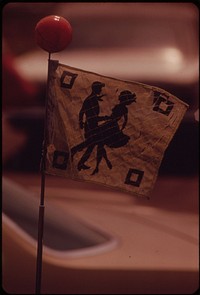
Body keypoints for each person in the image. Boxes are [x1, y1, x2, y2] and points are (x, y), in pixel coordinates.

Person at [71, 81, 109, 170]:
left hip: (92, 125)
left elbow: (82, 112)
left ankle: (80, 162)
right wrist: (105, 118)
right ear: (96, 89)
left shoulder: (93, 98)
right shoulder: (91, 99)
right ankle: (74, 151)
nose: (101, 90)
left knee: (91, 145)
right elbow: (87, 114)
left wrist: (81, 122)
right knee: (90, 144)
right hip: (91, 126)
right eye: (100, 88)